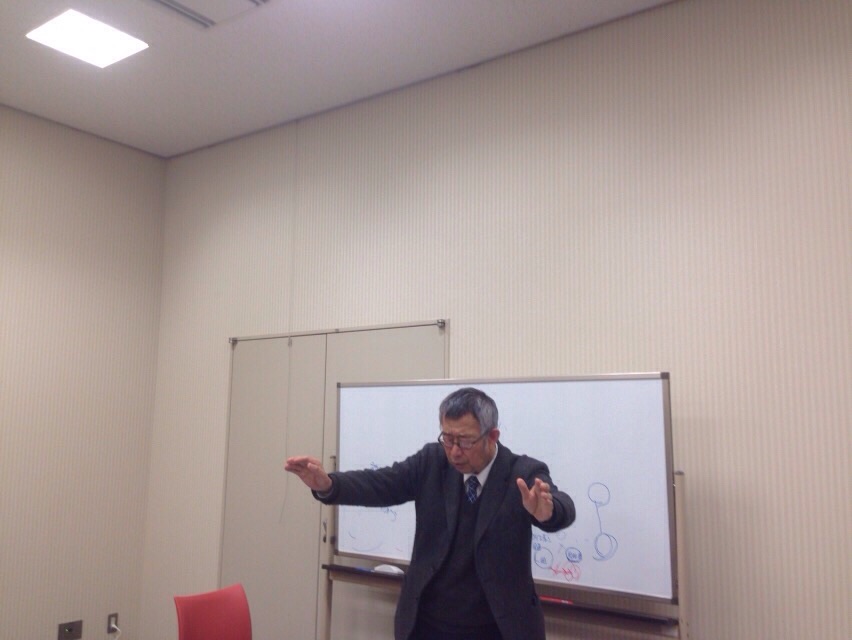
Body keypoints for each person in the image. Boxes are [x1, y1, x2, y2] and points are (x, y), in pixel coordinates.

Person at [285, 386, 575, 640]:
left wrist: (547, 513)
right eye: (447, 438)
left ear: (492, 436)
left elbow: (564, 507)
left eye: (465, 441)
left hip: (497, 628)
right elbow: (381, 484)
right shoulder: (432, 461)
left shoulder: (521, 472)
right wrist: (328, 484)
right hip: (428, 625)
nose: (454, 452)